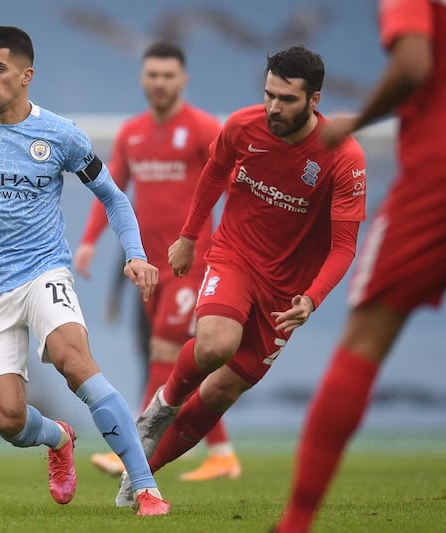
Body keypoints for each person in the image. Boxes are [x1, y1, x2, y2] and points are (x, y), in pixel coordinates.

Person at [0, 26, 170, 516]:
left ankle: (145, 486)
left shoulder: (61, 135)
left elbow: (114, 196)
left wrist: (135, 252)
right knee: (8, 419)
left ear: (26, 76)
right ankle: (58, 437)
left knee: (74, 359)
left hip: (42, 271)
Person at [115, 45, 368, 506]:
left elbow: (345, 245)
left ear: (315, 100)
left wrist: (312, 298)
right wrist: (190, 236)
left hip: (287, 289)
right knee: (214, 343)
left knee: (222, 389)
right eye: (269, 94)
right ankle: (161, 408)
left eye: (286, 100)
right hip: (233, 255)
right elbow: (214, 171)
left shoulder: (343, 158)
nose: (273, 107)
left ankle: (142, 476)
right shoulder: (242, 125)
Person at [275, 2, 446, 531]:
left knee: (365, 338)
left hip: (436, 176)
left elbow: (414, 63)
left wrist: (358, 118)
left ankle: (296, 522)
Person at [73, 41, 241, 481]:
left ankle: (133, 447)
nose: (160, 83)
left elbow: (235, 188)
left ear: (183, 80)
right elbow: (110, 190)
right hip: (146, 267)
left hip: (193, 264)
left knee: (166, 352)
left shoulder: (205, 129)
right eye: (153, 75)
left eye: (169, 76)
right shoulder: (132, 134)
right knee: (174, 360)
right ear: (143, 79)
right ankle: (222, 453)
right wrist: (89, 241)